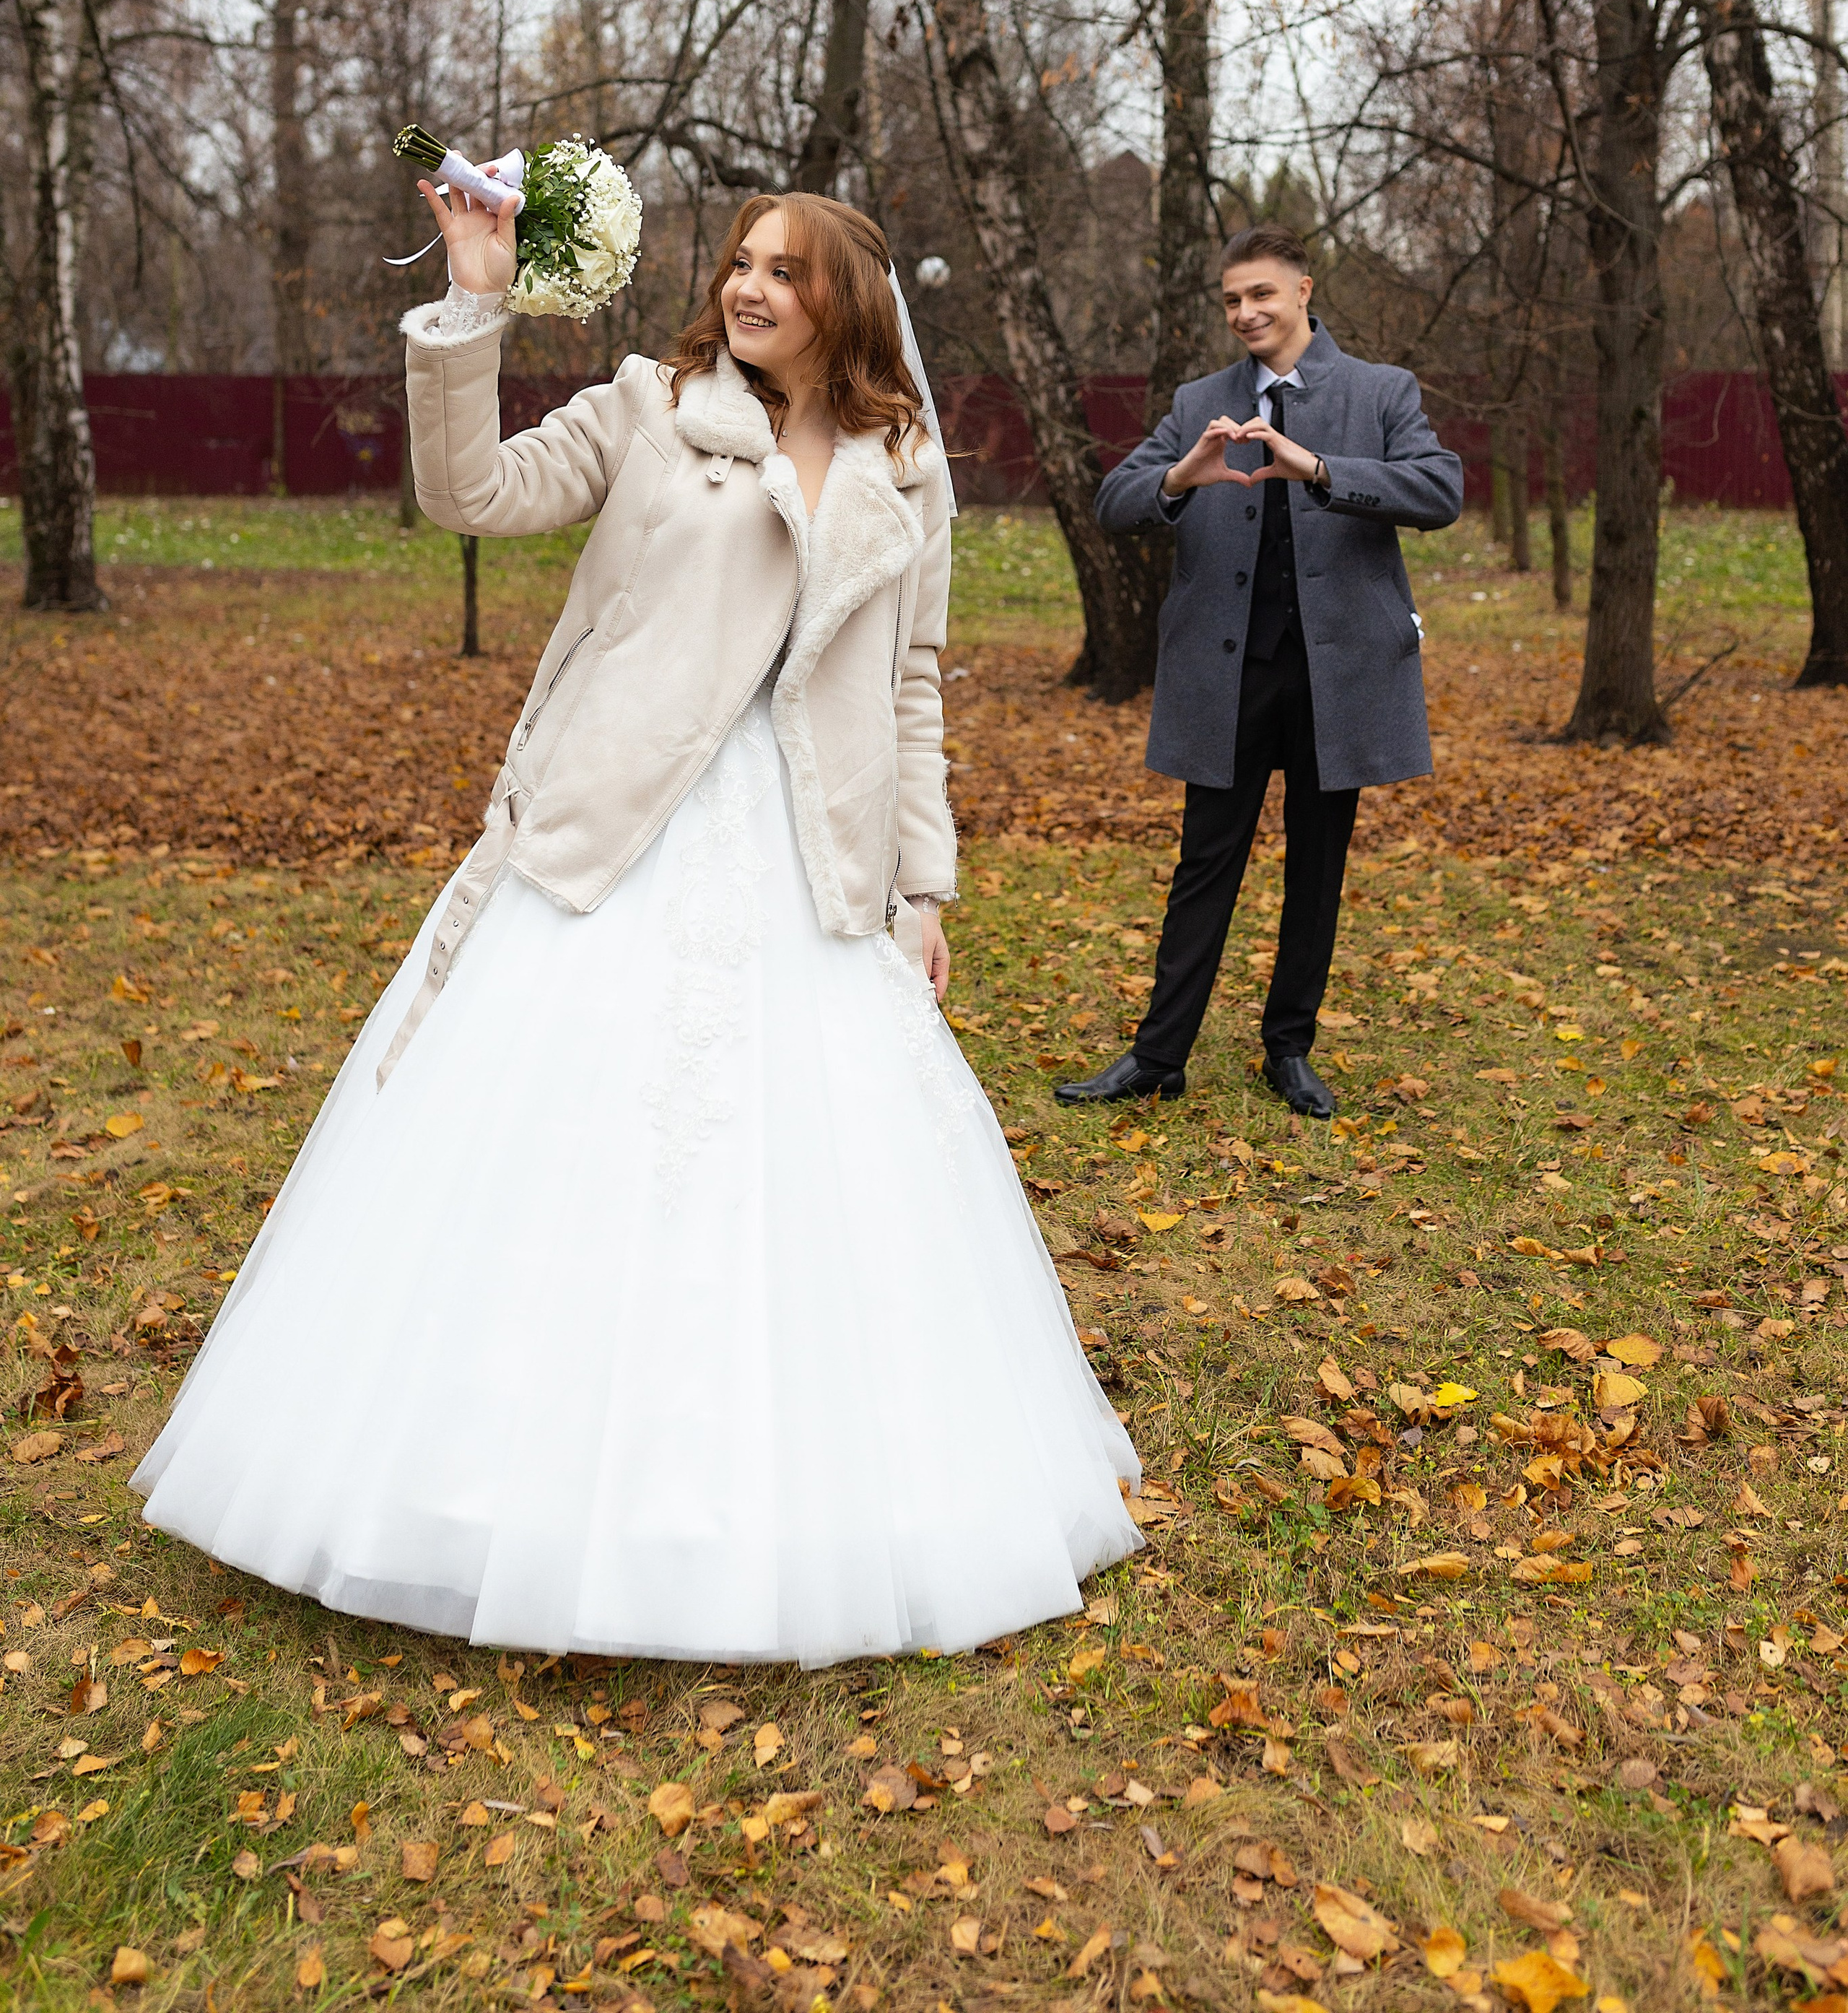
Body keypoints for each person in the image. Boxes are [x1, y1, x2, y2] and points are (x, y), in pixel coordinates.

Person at [134, 188, 1140, 1666]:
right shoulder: (648, 409)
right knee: (549, 1170)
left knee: (807, 1198)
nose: (747, 291)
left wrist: (921, 889)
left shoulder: (903, 470)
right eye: (736, 265)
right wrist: (472, 303)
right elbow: (468, 495)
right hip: (609, 847)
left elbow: (910, 687)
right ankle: (471, 1500)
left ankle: (786, 1518)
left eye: (782, 274)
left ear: (844, 298)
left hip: (812, 870)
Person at [1056, 225, 1462, 1122]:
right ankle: (1159, 1056)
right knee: (1206, 863)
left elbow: (1439, 491)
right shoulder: (1197, 399)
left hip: (1337, 678)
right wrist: (1180, 478)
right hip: (1226, 677)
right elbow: (1113, 502)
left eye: (1261, 296)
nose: (1245, 313)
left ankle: (1290, 1049)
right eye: (1232, 300)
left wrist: (1316, 467)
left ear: (1304, 291)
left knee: (1317, 868)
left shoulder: (1380, 392)